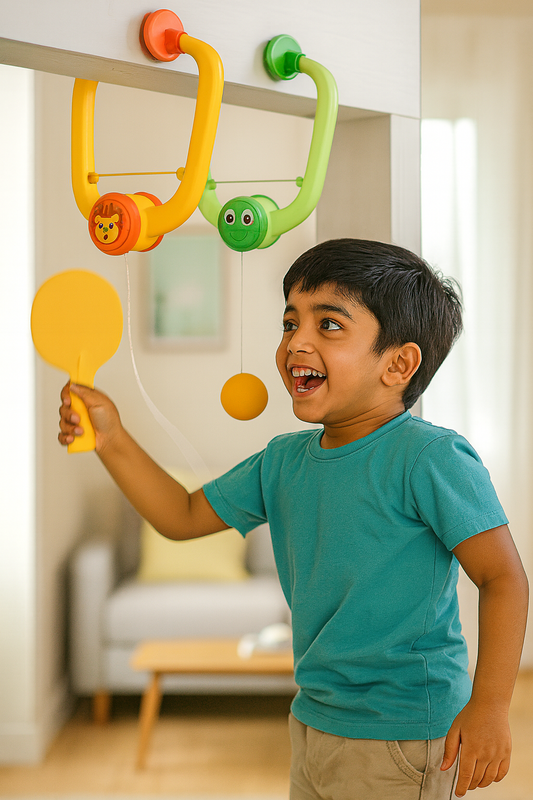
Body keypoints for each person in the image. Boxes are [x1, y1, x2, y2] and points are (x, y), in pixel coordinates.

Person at [59, 239, 528, 800]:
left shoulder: (431, 458)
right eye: (289, 323)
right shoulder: (281, 461)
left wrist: (490, 707)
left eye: (328, 324)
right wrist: (110, 438)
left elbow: (503, 579)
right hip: (313, 718)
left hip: (405, 733)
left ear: (398, 364)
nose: (295, 343)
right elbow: (180, 516)